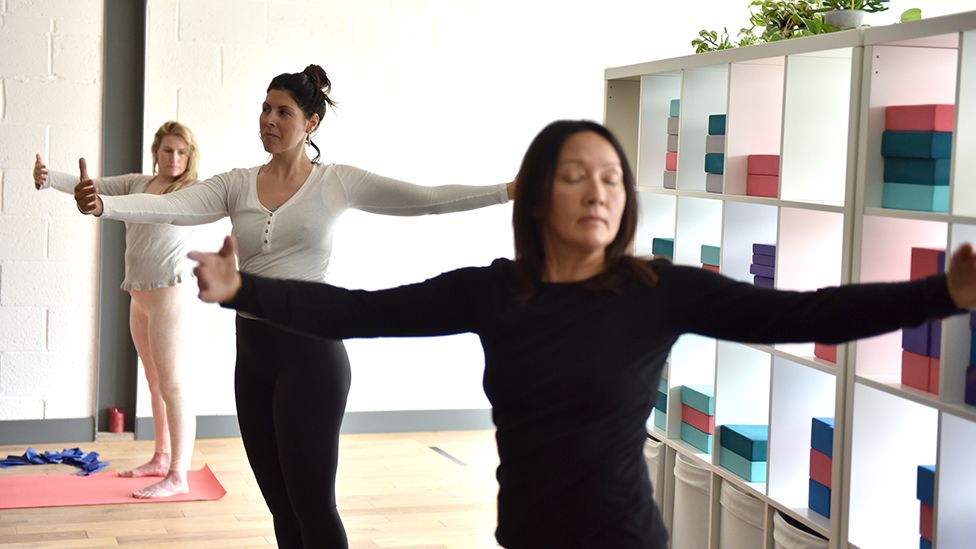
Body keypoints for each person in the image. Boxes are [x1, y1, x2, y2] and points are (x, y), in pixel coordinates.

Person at [186, 119, 976, 549]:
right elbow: (359, 310)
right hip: (525, 535)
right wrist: (242, 290)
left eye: (611, 177)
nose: (597, 189)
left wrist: (941, 292)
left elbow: (805, 314)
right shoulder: (498, 291)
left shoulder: (656, 293)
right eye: (574, 174)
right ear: (535, 196)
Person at [72, 64, 514, 548]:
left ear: (311, 123)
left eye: (283, 112)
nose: (269, 119)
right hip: (254, 356)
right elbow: (171, 206)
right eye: (265, 108)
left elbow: (425, 200)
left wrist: (508, 191)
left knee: (313, 506)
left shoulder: (335, 182)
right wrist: (104, 207)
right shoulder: (236, 184)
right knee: (281, 507)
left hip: (312, 357)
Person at [34, 121, 203, 499]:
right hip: (139, 296)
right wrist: (48, 179)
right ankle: (162, 457)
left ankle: (179, 474)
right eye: (167, 150)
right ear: (156, 151)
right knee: (155, 382)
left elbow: (142, 210)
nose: (173, 157)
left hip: (168, 298)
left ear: (189, 156)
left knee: (174, 384)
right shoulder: (137, 183)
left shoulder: (191, 192)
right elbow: (94, 187)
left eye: (181, 152)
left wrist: (106, 208)